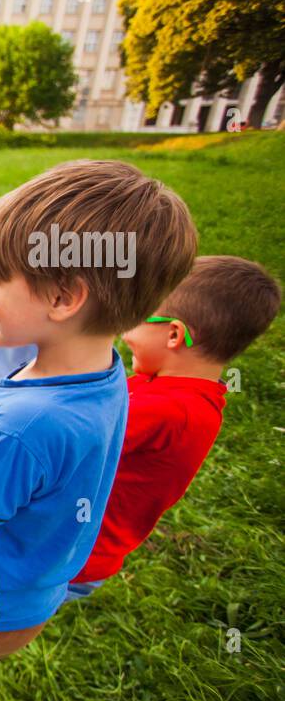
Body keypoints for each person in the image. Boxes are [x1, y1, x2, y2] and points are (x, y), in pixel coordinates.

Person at [0, 159, 198, 701]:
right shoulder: (96, 369)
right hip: (28, 591)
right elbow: (8, 433)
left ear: (63, 296)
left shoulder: (26, 426)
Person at [69, 256, 281, 598]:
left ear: (173, 334)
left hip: (67, 556)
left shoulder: (170, 410)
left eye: (136, 315)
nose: (124, 330)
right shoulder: (168, 389)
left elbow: (61, 443)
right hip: (72, 547)